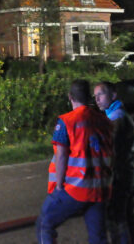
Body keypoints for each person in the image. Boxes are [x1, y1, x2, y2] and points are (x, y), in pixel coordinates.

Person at [36, 79, 113, 244]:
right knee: (98, 238)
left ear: (70, 97)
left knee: (45, 223)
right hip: (100, 188)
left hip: (76, 190)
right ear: (89, 98)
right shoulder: (105, 121)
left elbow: (62, 155)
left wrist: (58, 187)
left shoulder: (67, 121)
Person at [94, 81, 134, 244]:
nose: (97, 99)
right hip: (127, 175)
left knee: (116, 219)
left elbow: (109, 151)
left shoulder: (116, 118)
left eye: (101, 94)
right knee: (127, 215)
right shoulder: (115, 115)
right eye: (95, 96)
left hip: (120, 178)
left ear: (113, 95)